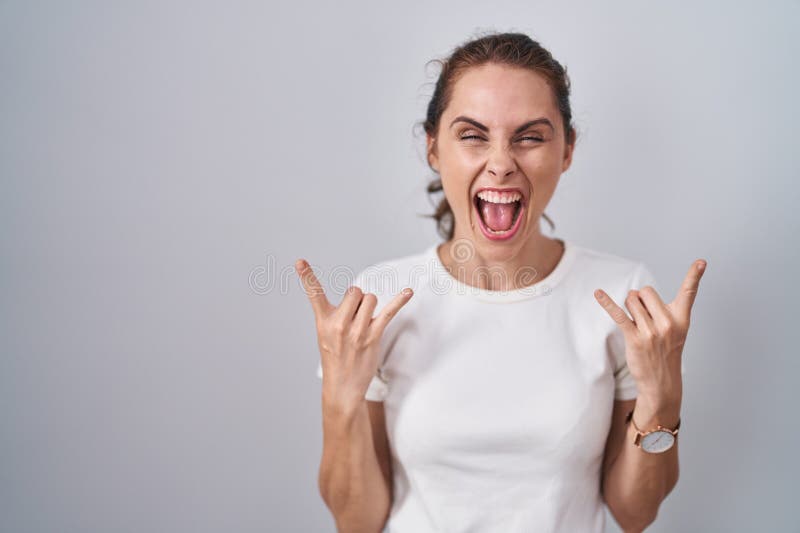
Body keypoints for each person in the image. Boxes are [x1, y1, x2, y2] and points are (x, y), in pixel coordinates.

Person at [297, 31, 707, 533]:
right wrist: (340, 396)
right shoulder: (380, 301)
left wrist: (662, 396)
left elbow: (634, 513)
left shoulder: (622, 296)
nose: (501, 163)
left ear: (567, 150)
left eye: (530, 136)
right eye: (472, 135)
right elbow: (356, 521)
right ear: (432, 148)